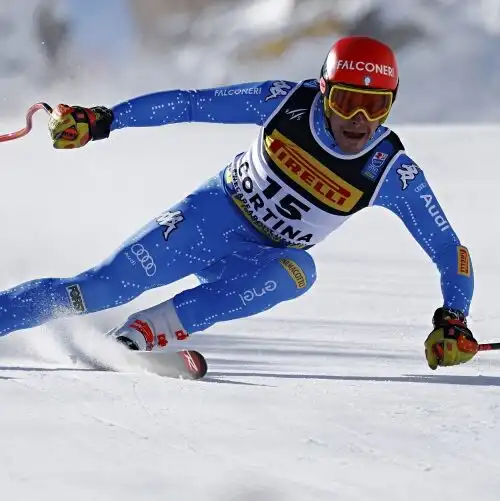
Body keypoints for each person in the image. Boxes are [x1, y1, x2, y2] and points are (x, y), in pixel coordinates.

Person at [3, 36, 478, 370]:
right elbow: (191, 104)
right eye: (346, 101)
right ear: (324, 91)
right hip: (207, 219)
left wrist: (453, 318)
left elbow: (448, 249)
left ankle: (144, 334)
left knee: (299, 271)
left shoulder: (393, 171)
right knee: (98, 290)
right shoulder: (284, 103)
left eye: (375, 108)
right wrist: (104, 120)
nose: (358, 121)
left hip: (261, 258)